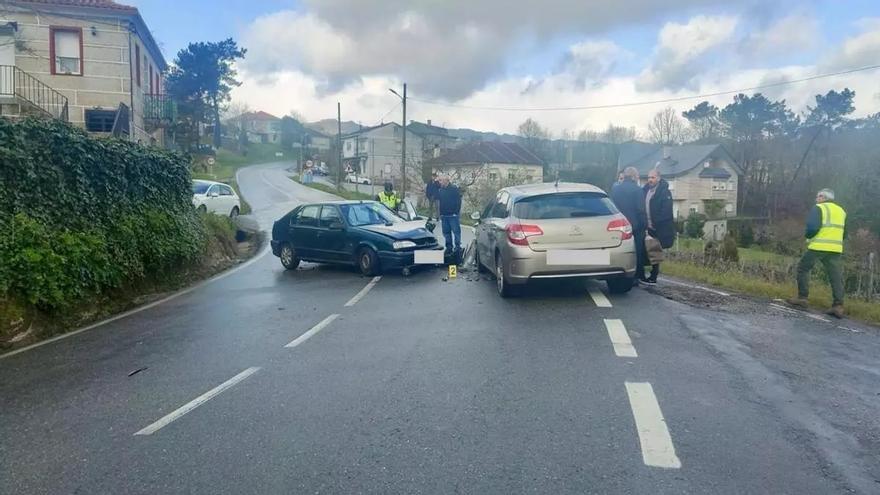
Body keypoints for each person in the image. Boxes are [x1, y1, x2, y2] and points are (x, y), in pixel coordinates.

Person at [787, 189, 847, 318]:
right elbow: (845, 232)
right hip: (835, 248)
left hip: (819, 246)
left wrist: (808, 236)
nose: (816, 199)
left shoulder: (818, 208)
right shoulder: (841, 211)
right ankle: (838, 306)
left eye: (818, 196)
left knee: (803, 268)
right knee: (835, 276)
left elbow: (812, 227)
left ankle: (802, 298)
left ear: (823, 197)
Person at [610, 167, 647, 285]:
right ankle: (636, 276)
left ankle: (619, 271)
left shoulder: (615, 190)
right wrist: (644, 225)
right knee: (637, 251)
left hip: (619, 226)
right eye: (637, 177)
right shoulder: (637, 190)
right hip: (635, 226)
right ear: (634, 177)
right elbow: (641, 210)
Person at [643, 167, 675, 284]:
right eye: (648, 177)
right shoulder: (645, 190)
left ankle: (654, 274)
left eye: (652, 177)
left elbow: (666, 211)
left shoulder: (664, 192)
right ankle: (644, 273)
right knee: (648, 250)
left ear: (658, 178)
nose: (650, 180)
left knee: (655, 250)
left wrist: (656, 222)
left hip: (658, 227)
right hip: (647, 226)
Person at [436, 174, 462, 254]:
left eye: (441, 180)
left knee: (456, 232)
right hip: (444, 215)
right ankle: (449, 247)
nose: (440, 182)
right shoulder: (441, 190)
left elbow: (459, 201)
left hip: (453, 215)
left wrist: (456, 212)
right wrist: (440, 213)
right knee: (446, 233)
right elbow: (440, 202)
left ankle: (457, 247)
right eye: (440, 180)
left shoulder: (454, 189)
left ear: (446, 181)